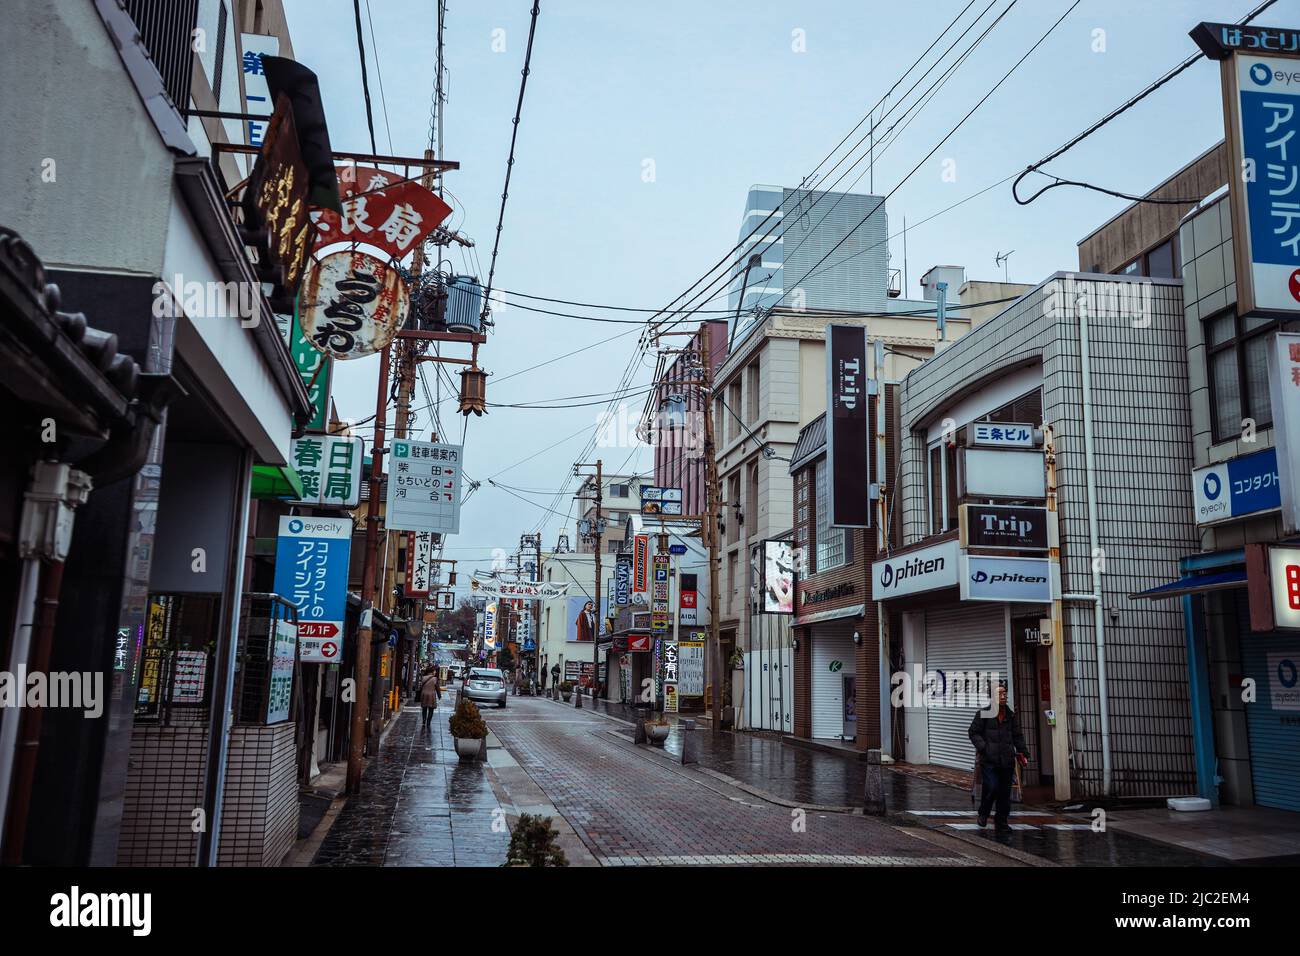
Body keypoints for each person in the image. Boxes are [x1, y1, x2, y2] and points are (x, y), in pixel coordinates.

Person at [968, 684, 1029, 832]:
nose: (1003, 696)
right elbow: (973, 732)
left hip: (1007, 760)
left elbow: (1017, 735)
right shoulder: (983, 714)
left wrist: (1023, 752)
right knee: (992, 787)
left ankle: (1001, 821)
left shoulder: (1010, 715)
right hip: (989, 760)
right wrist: (984, 748)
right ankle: (983, 813)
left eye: (1004, 693)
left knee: (1004, 792)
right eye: (999, 694)